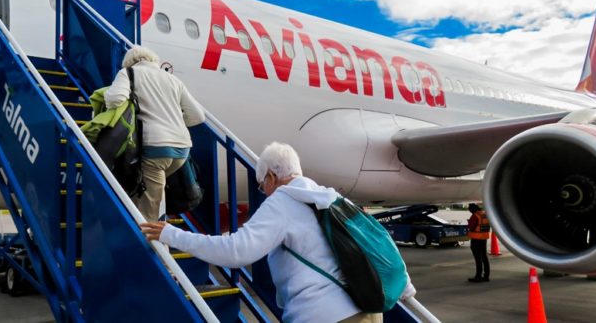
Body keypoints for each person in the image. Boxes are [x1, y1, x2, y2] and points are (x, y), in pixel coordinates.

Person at [141, 142, 415, 323]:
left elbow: (236, 251)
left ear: (271, 177)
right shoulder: (331, 198)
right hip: (368, 312)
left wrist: (171, 234)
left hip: (323, 316)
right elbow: (377, 242)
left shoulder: (282, 202)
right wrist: (405, 288)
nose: (264, 192)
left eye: (262, 186)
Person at [104, 45, 204, 221]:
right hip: (182, 150)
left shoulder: (129, 73)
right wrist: (176, 121)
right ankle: (159, 229)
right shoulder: (172, 79)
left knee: (149, 209)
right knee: (154, 195)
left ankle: (155, 246)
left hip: (155, 149)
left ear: (129, 62)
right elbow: (198, 116)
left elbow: (115, 99)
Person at [467, 203, 490, 283]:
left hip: (476, 239)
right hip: (484, 238)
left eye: (470, 209)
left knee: (478, 258)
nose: (469, 211)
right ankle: (486, 276)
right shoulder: (484, 215)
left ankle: (478, 276)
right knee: (484, 257)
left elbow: (472, 227)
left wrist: (469, 223)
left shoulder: (475, 216)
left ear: (473, 209)